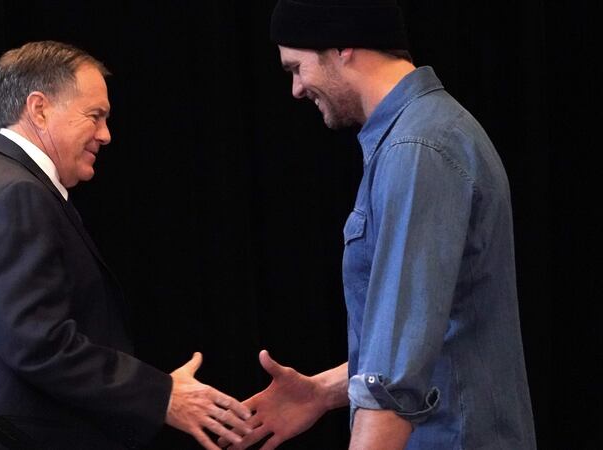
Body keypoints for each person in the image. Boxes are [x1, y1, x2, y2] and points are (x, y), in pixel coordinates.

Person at [0, 40, 250, 450]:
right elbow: (39, 344)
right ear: (39, 108)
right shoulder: (16, 195)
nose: (106, 134)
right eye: (95, 116)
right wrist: (161, 394)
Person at [223, 1, 537, 449]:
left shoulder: (418, 149)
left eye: (297, 68)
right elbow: (433, 332)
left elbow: (394, 382)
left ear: (342, 46)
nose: (295, 89)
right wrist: (324, 392)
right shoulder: (427, 134)